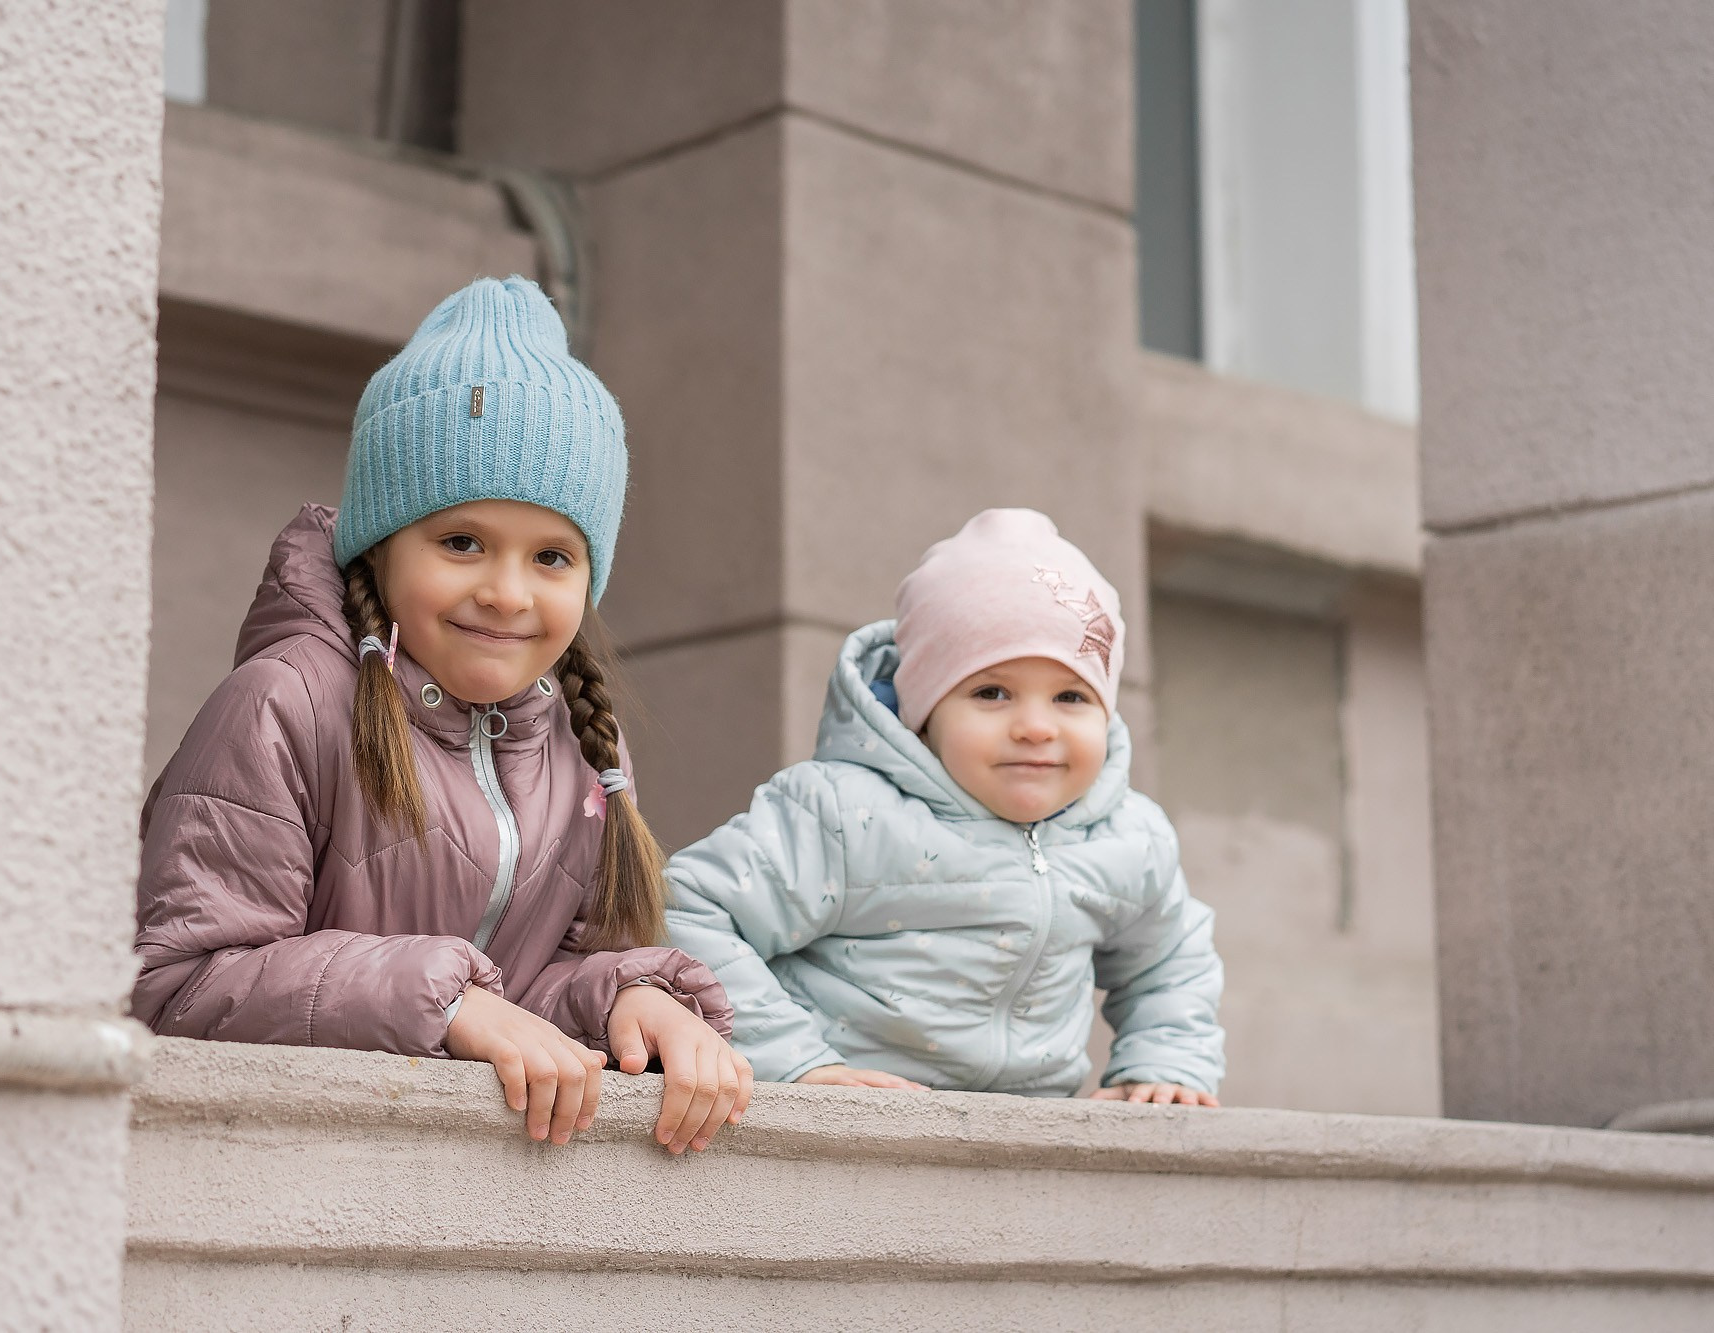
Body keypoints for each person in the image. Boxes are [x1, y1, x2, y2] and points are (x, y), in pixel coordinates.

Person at [135, 276, 751, 1153]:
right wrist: (448, 1002)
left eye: (550, 556)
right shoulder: (283, 706)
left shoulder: (581, 753)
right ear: (380, 547)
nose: (505, 592)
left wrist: (629, 1002)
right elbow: (178, 984)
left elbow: (534, 991)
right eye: (461, 542)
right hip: (281, 1182)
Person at [665, 509, 1224, 1102]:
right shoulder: (845, 813)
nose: (1036, 726)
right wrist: (796, 1062)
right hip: (847, 1123)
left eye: (1070, 696)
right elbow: (690, 906)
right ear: (924, 714)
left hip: (1023, 1135)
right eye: (992, 692)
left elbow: (1171, 960)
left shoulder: (1128, 836)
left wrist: (1164, 1063)